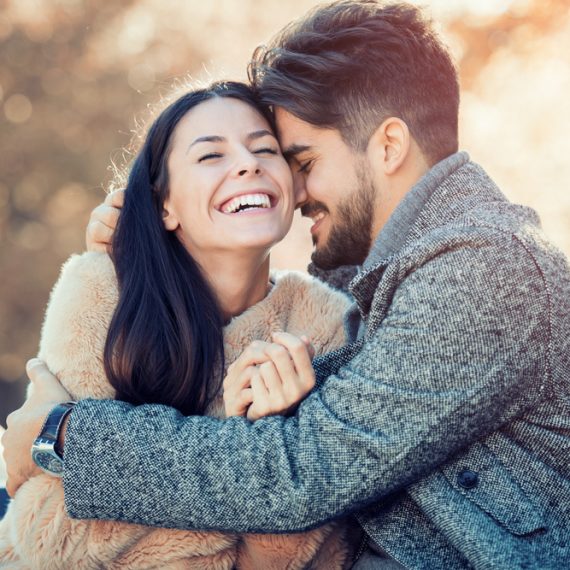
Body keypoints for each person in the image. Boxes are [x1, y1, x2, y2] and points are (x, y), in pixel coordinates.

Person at [4, 1, 570, 568]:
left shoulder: (481, 271)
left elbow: (299, 471)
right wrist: (150, 239)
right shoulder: (405, 278)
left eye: (300, 160)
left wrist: (67, 436)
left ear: (390, 146)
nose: (294, 192)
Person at [0, 81, 354, 568]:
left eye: (264, 149)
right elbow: (52, 534)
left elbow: (315, 553)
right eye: (210, 156)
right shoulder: (103, 291)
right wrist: (254, 473)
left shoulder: (325, 325)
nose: (247, 164)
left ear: (293, 187)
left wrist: (269, 439)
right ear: (164, 205)